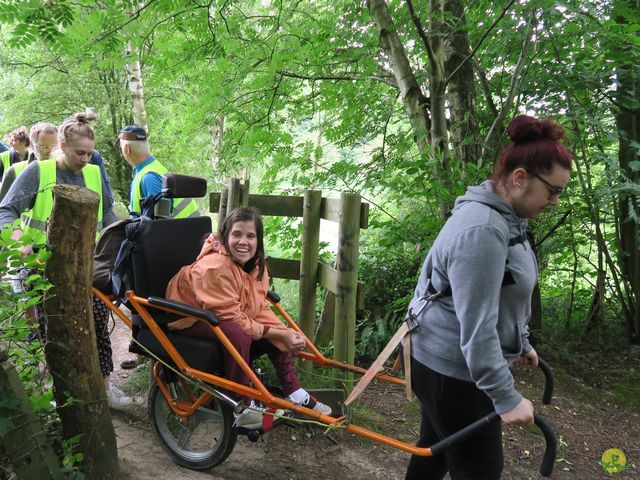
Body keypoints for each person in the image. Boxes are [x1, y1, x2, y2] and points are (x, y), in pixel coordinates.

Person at [404, 115, 572, 480]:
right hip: (452, 371)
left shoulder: (510, 219)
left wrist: (520, 341)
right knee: (480, 469)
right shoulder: (483, 230)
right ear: (520, 178)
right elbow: (476, 327)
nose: (556, 201)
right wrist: (505, 396)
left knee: (436, 449)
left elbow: (505, 293)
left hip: (444, 363)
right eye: (553, 190)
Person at [0, 112, 131, 408]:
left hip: (87, 266)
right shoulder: (39, 172)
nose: (85, 158)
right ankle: (58, 398)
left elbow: (108, 215)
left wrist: (118, 243)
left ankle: (105, 387)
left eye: (89, 152)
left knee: (97, 323)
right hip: (41, 268)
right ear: (62, 144)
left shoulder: (95, 172)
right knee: (52, 332)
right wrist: (18, 241)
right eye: (79, 152)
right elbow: (5, 210)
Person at [165, 207, 332, 429]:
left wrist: (284, 334)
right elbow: (231, 316)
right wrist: (273, 332)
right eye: (237, 234)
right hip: (188, 315)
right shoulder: (214, 268)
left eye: (250, 236)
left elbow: (257, 307)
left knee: (272, 330)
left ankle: (294, 391)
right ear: (226, 236)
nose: (243, 242)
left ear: (258, 240)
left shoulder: (255, 264)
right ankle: (240, 405)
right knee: (239, 333)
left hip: (220, 310)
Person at [0, 122, 115, 209]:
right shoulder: (16, 171)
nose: (50, 151)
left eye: (54, 146)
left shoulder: (78, 170)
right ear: (32, 147)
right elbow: (4, 211)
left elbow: (106, 210)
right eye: (44, 147)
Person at [118, 125, 199, 218]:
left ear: (127, 149)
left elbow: (160, 226)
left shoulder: (149, 178)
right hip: (190, 230)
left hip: (182, 232)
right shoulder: (154, 168)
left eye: (121, 148)